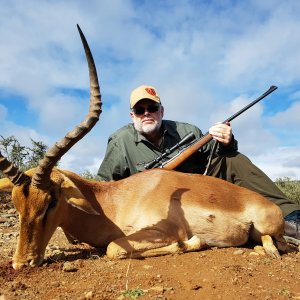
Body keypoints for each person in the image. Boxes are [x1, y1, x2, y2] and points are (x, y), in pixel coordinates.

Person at [98, 84, 300, 240]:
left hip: (197, 194)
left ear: (162, 111)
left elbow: (217, 154)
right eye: (140, 110)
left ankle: (292, 215)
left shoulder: (188, 131)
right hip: (151, 208)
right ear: (132, 115)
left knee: (232, 160)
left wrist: (227, 141)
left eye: (152, 107)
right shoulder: (120, 142)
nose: (147, 113)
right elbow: (102, 187)